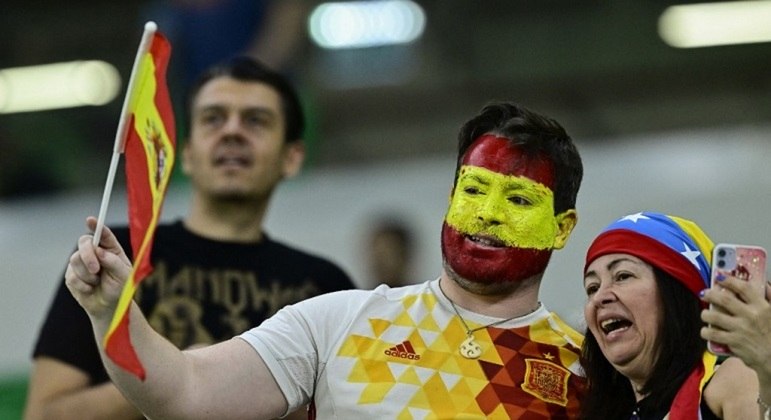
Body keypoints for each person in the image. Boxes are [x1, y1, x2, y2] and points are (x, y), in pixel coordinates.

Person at [64, 101, 587, 418]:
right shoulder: (338, 321)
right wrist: (112, 311)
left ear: (562, 228)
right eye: (474, 190)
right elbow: (185, 394)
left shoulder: (590, 369)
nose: (487, 215)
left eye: (519, 200)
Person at [24, 56, 356, 420]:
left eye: (256, 121)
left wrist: (226, 383)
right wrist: (179, 375)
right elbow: (44, 414)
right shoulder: (112, 257)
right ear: (187, 154)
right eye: (213, 118)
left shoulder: (326, 287)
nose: (232, 131)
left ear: (291, 158)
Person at [580, 211, 771, 419]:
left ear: (675, 293)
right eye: (592, 287)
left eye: (623, 276)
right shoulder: (588, 407)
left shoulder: (735, 378)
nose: (599, 297)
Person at [364, 216, 415, 288]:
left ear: (405, 257)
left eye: (388, 255)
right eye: (378, 254)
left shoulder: (424, 297)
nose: (380, 263)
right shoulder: (360, 297)